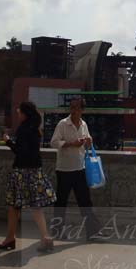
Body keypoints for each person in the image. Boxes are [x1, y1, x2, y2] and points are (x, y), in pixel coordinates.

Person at [0, 101, 56, 252]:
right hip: (35, 170)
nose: (18, 113)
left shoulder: (23, 129)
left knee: (14, 205)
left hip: (22, 171)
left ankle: (14, 238)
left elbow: (20, 151)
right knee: (33, 206)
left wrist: (8, 141)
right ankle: (40, 237)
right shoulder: (35, 128)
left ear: (24, 113)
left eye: (19, 111)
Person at [50, 97, 100, 240]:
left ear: (82, 110)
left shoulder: (84, 124)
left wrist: (89, 142)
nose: (73, 110)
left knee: (85, 201)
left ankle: (92, 232)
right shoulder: (63, 124)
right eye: (71, 107)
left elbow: (88, 144)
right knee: (61, 202)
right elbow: (54, 142)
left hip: (80, 168)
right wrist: (71, 144)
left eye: (76, 108)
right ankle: (57, 231)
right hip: (64, 169)